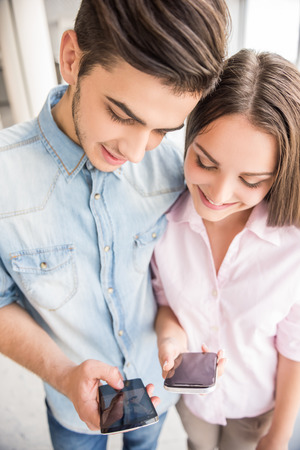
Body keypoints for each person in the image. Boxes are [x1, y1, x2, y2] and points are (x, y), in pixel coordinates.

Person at [0, 0, 230, 449]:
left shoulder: (175, 168)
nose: (138, 151)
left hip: (156, 396)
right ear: (71, 58)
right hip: (71, 409)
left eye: (163, 130)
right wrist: (64, 375)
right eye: (123, 115)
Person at [152, 48, 300, 450]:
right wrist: (170, 342)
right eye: (205, 161)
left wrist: (279, 434)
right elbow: (166, 303)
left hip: (255, 410)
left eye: (250, 181)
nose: (217, 195)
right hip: (194, 403)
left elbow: (294, 350)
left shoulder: (292, 251)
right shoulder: (162, 223)